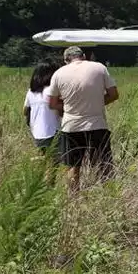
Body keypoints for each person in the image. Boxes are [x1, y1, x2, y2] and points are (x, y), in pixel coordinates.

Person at [48, 46, 119, 192]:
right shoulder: (99, 68)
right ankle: (109, 194)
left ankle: (73, 197)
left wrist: (68, 107)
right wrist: (98, 103)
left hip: (71, 126)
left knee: (73, 166)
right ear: (84, 56)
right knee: (104, 164)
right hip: (97, 124)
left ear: (66, 60)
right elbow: (113, 94)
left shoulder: (59, 73)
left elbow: (52, 103)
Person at [24, 62, 62, 154]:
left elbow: (25, 111)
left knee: (43, 157)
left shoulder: (31, 92)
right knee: (56, 159)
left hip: (37, 132)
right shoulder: (52, 91)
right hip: (53, 130)